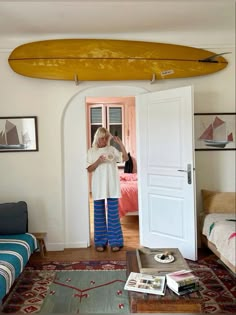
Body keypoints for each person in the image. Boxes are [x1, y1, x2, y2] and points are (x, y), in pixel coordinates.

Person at [87, 127, 128, 252]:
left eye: (106, 138)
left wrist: (120, 143)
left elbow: (125, 158)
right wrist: (99, 161)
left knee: (113, 215)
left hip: (112, 185)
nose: (103, 140)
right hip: (98, 186)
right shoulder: (91, 151)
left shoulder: (112, 149)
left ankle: (116, 242)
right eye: (101, 138)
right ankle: (100, 242)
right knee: (98, 215)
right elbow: (89, 168)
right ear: (97, 138)